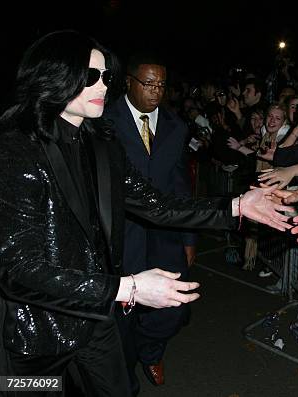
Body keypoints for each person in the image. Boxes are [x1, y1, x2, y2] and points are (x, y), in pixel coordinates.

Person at [0, 30, 291, 396]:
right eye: (91, 76)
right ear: (55, 75)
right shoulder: (16, 150)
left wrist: (235, 206)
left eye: (107, 76)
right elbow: (18, 270)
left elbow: (157, 204)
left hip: (95, 318)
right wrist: (130, 287)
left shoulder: (102, 144)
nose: (103, 85)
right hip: (36, 332)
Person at [102, 53, 196, 390]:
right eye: (149, 83)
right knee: (123, 312)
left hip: (166, 233)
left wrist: (188, 238)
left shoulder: (176, 126)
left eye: (161, 85)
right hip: (122, 233)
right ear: (129, 82)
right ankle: (126, 377)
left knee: (175, 308)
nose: (156, 91)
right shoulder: (103, 120)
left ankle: (151, 349)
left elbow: (181, 185)